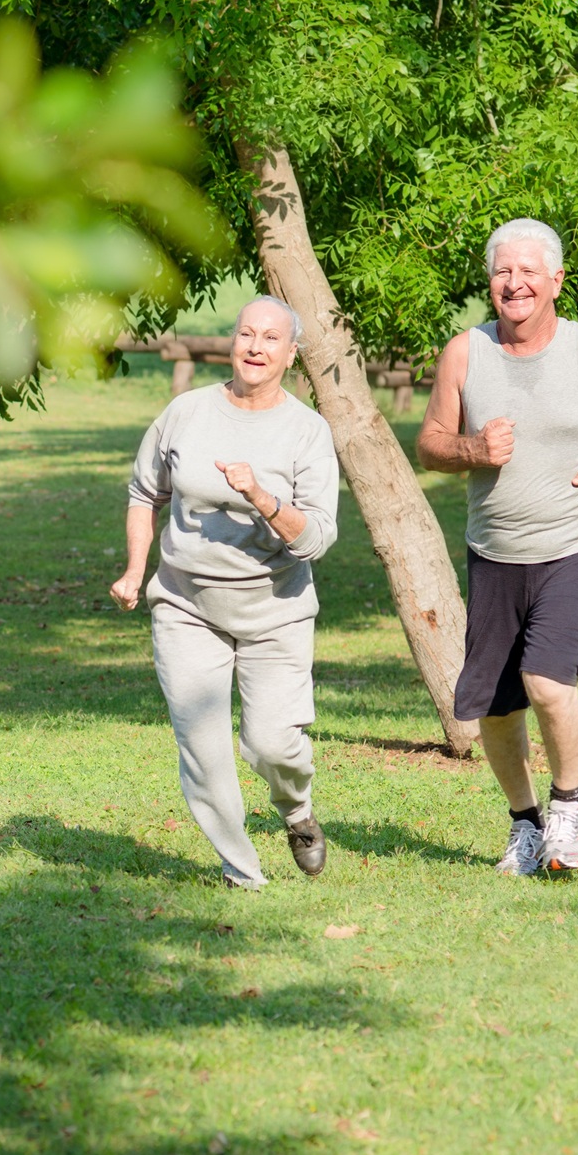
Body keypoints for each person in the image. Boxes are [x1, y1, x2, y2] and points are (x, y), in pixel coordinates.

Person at [417, 219, 578, 875]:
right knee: (496, 706)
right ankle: (526, 823)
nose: (515, 283)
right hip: (494, 552)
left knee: (547, 682)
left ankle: (569, 806)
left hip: (573, 546)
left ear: (556, 281)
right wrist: (472, 449)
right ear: (490, 281)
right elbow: (431, 442)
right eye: (503, 271)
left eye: (529, 271)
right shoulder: (464, 353)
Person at [111, 297, 340, 889]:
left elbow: (316, 539)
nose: (255, 347)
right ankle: (243, 873)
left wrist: (262, 497)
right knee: (203, 749)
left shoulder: (307, 431)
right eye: (246, 334)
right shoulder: (185, 412)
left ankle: (296, 810)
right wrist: (136, 569)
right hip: (186, 605)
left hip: (275, 611)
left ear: (291, 355)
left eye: (271, 339)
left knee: (271, 744)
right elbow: (144, 493)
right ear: (233, 342)